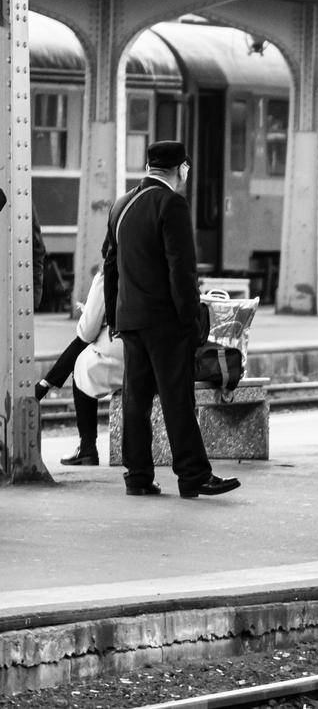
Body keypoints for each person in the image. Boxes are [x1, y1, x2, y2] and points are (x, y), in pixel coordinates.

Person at [103, 139, 240, 499]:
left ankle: (138, 477)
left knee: (137, 398)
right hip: (165, 321)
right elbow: (182, 271)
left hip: (130, 319)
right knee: (177, 398)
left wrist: (116, 317)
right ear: (181, 169)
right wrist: (191, 321)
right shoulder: (171, 204)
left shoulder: (121, 205)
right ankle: (193, 475)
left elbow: (109, 266)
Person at [33, 268, 114, 465]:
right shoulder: (151, 263)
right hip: (159, 352)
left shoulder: (109, 273)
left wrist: (88, 312)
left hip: (123, 351)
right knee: (84, 354)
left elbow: (87, 331)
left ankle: (87, 446)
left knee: (82, 365)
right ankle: (44, 385)